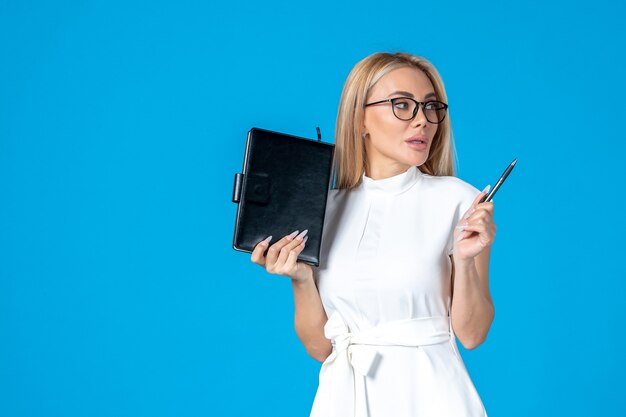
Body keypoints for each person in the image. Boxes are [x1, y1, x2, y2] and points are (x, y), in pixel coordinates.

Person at [251, 52, 496, 417]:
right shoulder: (322, 209)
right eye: (402, 105)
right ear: (360, 118)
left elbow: (472, 334)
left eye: (430, 107)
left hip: (429, 397)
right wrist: (301, 278)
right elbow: (322, 349)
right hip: (342, 399)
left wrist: (466, 259)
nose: (422, 121)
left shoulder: (460, 201)